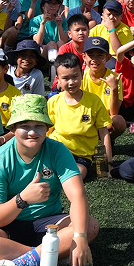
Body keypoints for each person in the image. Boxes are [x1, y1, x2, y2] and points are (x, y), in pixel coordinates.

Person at [0, 94, 98, 266]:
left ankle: (18, 264)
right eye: (25, 126)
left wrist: (80, 237)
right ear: (12, 129)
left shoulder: (58, 151)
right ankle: (51, 256)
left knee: (89, 225)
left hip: (50, 226)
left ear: (47, 128)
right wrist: (22, 199)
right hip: (7, 229)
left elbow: (77, 195)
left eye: (39, 125)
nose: (32, 132)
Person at [45, 53, 113, 181]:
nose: (71, 82)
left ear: (82, 74)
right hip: (56, 150)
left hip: (82, 156)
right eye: (65, 78)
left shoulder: (94, 101)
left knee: (79, 173)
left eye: (75, 77)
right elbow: (47, 131)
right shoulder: (53, 101)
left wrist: (108, 164)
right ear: (58, 79)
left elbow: (104, 133)